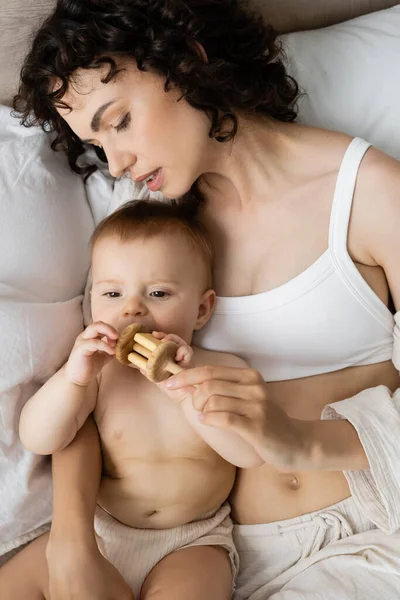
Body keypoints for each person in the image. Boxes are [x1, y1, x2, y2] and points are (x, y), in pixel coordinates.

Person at [6, 0, 400, 598]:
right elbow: (93, 400)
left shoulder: (370, 193)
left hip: (371, 527)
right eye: (94, 142)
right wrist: (70, 541)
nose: (117, 162)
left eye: (119, 121)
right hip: (231, 561)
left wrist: (298, 441)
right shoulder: (142, 221)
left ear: (188, 61)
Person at [1, 199, 266, 599]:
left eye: (158, 293)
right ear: (90, 305)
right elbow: (38, 438)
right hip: (99, 532)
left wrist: (184, 389)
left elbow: (250, 453)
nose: (132, 308)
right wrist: (73, 379)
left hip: (191, 540)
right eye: (111, 292)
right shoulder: (98, 374)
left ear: (201, 309)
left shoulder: (220, 370)